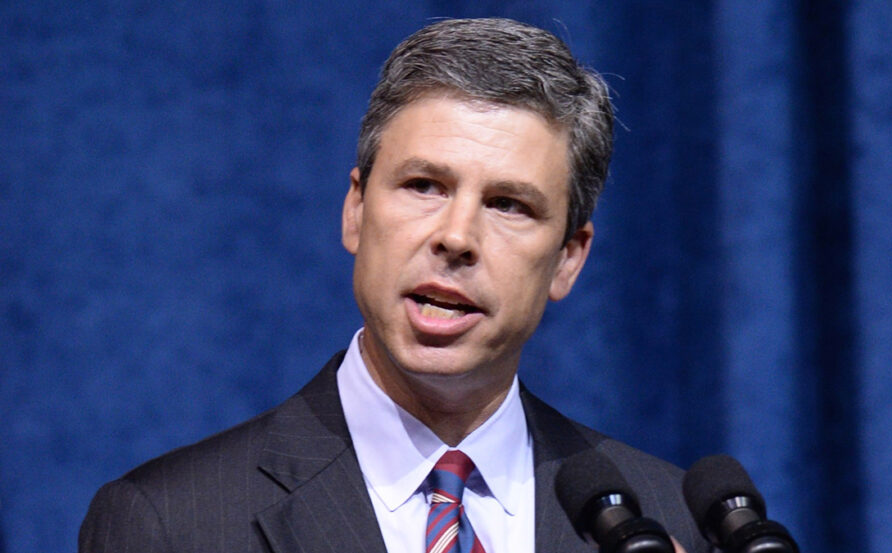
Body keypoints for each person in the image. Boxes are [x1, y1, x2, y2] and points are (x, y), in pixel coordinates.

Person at [79, 17, 713, 553]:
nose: (456, 237)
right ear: (355, 210)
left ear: (569, 258)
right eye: (424, 186)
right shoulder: (169, 524)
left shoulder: (667, 522)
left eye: (509, 204)